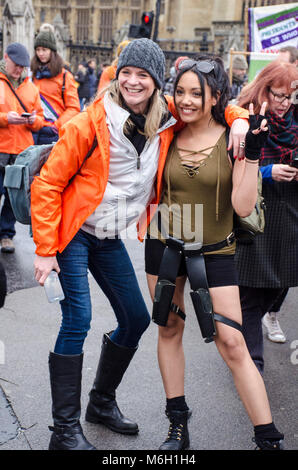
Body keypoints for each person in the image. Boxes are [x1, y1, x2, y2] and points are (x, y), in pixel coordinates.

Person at [31, 38, 250, 451]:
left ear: (155, 82)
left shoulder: (165, 117)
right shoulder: (90, 122)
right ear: (117, 74)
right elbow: (47, 185)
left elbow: (208, 103)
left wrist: (238, 118)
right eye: (126, 72)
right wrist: (44, 249)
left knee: (136, 317)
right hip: (74, 232)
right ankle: (64, 431)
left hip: (109, 235)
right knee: (77, 319)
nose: (133, 81)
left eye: (143, 75)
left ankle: (100, 403)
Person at [145, 56, 284, 450]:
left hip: (215, 250)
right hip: (163, 244)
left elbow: (242, 206)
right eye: (181, 91)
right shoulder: (167, 129)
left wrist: (254, 155)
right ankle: (177, 425)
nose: (186, 101)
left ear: (215, 97)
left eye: (196, 93)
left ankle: (267, 436)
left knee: (233, 343)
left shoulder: (234, 137)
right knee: (170, 330)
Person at [235, 60, 298, 374]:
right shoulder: (244, 118)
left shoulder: (295, 121)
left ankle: (241, 344)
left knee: (278, 285)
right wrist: (268, 171)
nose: (285, 104)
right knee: (249, 294)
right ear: (264, 89)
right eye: (279, 96)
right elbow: (229, 168)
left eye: (290, 97)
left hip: (288, 215)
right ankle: (251, 363)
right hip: (255, 214)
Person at [0, 43, 43, 253]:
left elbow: (41, 120)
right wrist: (5, 119)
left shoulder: (31, 88)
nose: (19, 70)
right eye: (16, 65)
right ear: (5, 57)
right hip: (1, 148)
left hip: (21, 152)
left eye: (23, 67)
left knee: (12, 197)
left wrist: (33, 121)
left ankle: (6, 235)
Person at [31, 24, 80, 145]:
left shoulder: (65, 76)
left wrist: (56, 126)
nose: (41, 53)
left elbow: (74, 107)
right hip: (33, 129)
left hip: (54, 132)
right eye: (38, 50)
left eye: (44, 50)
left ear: (52, 51)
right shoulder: (32, 75)